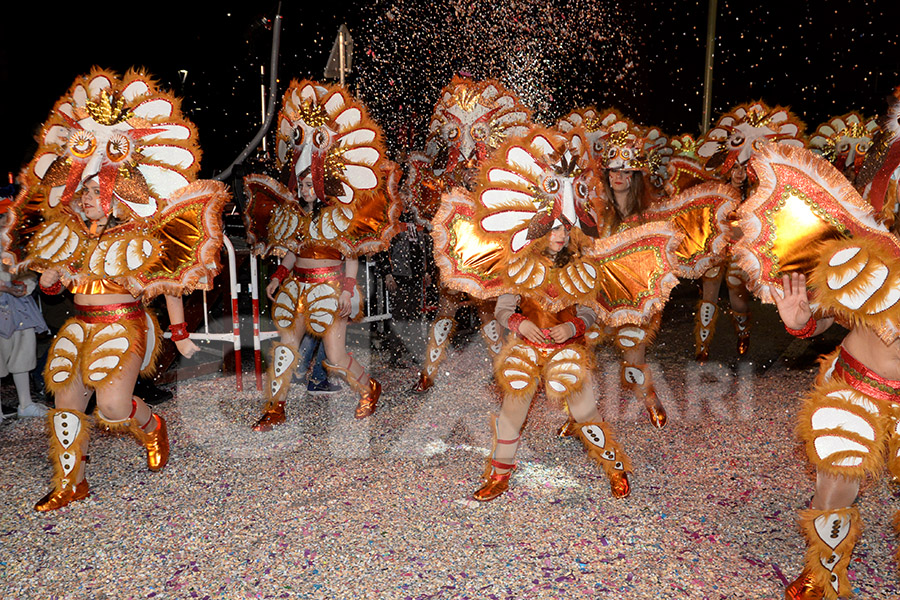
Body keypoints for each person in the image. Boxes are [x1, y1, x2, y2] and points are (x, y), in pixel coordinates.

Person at [0, 68, 229, 511]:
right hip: (81, 325)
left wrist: (179, 335)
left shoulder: (139, 235)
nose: (86, 198)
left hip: (125, 325)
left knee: (111, 408)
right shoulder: (67, 236)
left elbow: (170, 283)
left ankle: (152, 426)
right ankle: (71, 482)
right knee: (65, 402)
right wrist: (48, 283)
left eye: (94, 190)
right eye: (81, 191)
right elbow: (50, 283)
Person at [244, 79, 401, 430]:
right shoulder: (293, 214)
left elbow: (351, 256)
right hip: (296, 288)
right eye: (300, 183)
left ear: (323, 179)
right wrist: (278, 276)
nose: (304, 187)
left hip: (330, 289)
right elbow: (292, 252)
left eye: (309, 182)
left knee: (335, 357)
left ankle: (369, 388)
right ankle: (275, 408)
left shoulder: (342, 215)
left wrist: (347, 291)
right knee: (285, 348)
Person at [475, 224, 631, 501]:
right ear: (537, 232)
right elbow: (502, 309)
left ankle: (616, 469)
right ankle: (499, 476)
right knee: (512, 414)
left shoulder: (580, 268)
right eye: (553, 231)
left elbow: (588, 312)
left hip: (568, 350)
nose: (560, 237)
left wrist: (573, 328)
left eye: (565, 232)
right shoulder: (519, 265)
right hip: (527, 349)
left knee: (585, 414)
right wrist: (519, 323)